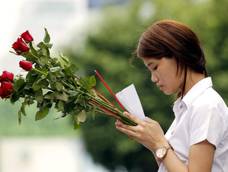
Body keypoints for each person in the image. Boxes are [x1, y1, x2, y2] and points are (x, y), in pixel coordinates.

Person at [115, 19, 228, 172]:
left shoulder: (206, 105)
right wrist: (150, 142)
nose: (153, 78)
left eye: (154, 67)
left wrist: (159, 143)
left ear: (177, 53)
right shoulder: (187, 107)